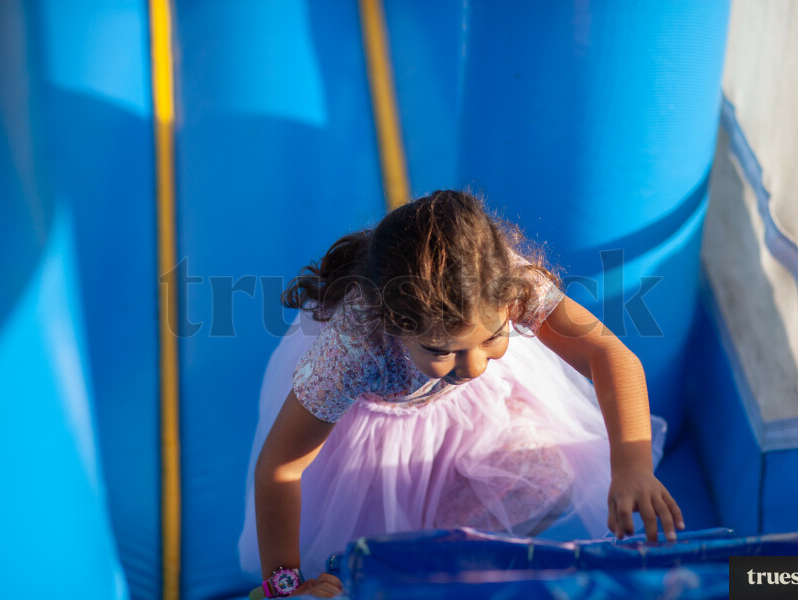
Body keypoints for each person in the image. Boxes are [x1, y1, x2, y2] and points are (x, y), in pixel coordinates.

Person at [238, 190, 683, 597]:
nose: (472, 367)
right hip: (372, 435)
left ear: (508, 303)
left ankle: (453, 564)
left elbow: (607, 354)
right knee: (380, 557)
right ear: (393, 325)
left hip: (470, 416)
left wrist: (632, 467)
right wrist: (285, 584)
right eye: (441, 350)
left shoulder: (502, 279)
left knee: (542, 478)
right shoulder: (355, 347)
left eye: (492, 337)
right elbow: (280, 468)